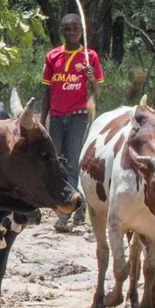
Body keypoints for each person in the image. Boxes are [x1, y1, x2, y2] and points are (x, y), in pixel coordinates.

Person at [41, 12, 103, 232]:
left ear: (81, 31)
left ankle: (67, 214)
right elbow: (47, 90)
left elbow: (97, 90)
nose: (71, 33)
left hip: (78, 116)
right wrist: (42, 118)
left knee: (73, 162)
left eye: (75, 29)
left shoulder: (90, 57)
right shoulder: (53, 56)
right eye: (67, 29)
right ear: (62, 31)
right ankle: (72, 206)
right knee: (57, 162)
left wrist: (91, 76)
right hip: (56, 116)